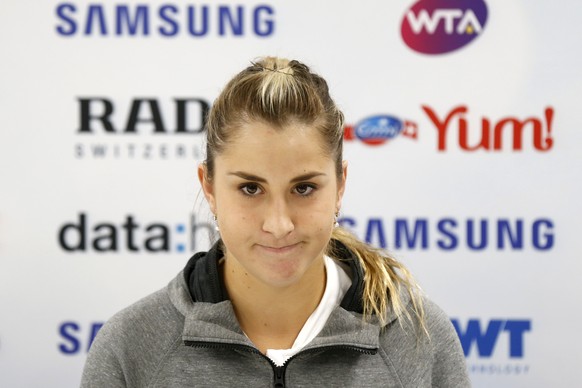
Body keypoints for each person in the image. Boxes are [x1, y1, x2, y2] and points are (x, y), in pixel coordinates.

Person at [81, 57, 470, 387]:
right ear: (210, 187)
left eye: (303, 188)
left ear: (340, 185)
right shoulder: (131, 348)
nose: (279, 224)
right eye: (251, 188)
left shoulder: (419, 339)